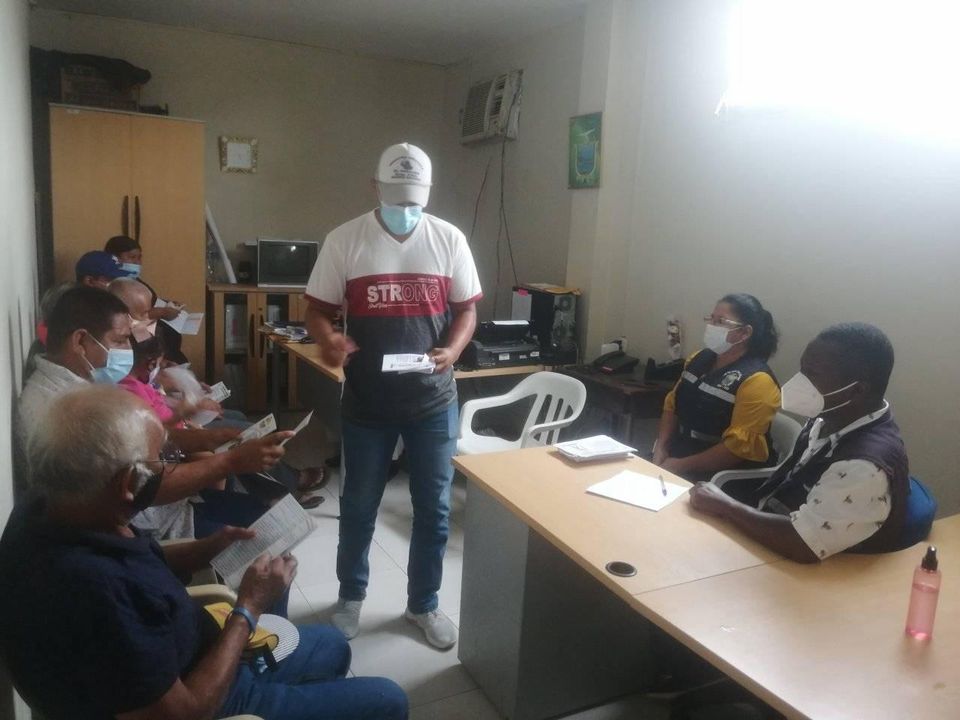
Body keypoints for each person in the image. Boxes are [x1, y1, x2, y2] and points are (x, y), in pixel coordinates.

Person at [0, 385, 408, 720]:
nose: (168, 467)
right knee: (388, 700)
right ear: (128, 483)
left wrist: (205, 549)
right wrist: (248, 607)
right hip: (212, 696)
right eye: (161, 460)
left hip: (197, 651)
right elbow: (184, 713)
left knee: (333, 646)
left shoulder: (54, 507)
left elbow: (135, 562)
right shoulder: (95, 588)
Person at [304, 142, 481, 650]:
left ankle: (423, 604)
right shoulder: (345, 240)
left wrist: (454, 349)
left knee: (434, 509)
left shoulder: (448, 238)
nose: (405, 207)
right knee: (359, 506)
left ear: (427, 192)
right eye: (396, 196)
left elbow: (466, 309)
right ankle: (350, 598)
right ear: (375, 187)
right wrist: (329, 338)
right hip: (368, 402)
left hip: (432, 401)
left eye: (414, 199)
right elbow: (316, 309)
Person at [18, 286, 289, 541]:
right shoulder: (64, 411)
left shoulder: (81, 385)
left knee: (270, 516)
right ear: (80, 341)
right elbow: (142, 489)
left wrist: (214, 438)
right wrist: (229, 462)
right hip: (153, 526)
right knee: (270, 532)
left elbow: (141, 439)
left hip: (169, 508)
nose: (127, 351)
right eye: (120, 341)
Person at [689, 322, 911, 562]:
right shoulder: (831, 417)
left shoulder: (864, 467)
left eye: (812, 374)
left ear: (856, 391)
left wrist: (726, 506)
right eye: (802, 370)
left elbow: (803, 544)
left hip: (817, 571)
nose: (799, 382)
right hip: (774, 542)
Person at [654, 294, 781, 482]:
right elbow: (672, 405)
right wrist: (661, 446)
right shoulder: (699, 358)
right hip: (680, 453)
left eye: (720, 321)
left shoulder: (757, 380)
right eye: (711, 319)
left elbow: (737, 449)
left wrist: (680, 465)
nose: (712, 326)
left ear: (745, 333)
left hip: (721, 474)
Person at [105, 234, 189, 363]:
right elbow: (135, 316)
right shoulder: (114, 286)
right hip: (141, 345)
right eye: (132, 257)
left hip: (159, 346)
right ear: (115, 258)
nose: (137, 262)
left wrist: (166, 304)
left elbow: (147, 303)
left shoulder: (136, 280)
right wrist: (162, 312)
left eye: (139, 257)